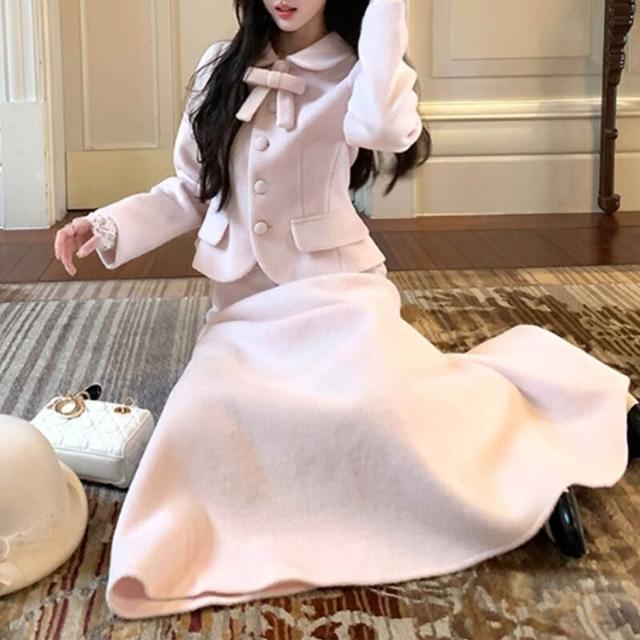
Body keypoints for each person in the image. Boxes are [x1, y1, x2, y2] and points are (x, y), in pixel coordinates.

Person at [54, 0, 640, 620]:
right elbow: (191, 191)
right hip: (244, 309)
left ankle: (535, 475)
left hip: (337, 292)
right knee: (202, 423)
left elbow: (385, 131)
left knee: (385, 410)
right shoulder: (217, 68)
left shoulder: (362, 69)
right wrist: (107, 224)